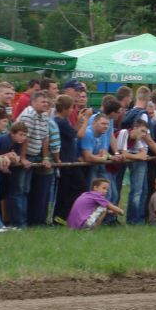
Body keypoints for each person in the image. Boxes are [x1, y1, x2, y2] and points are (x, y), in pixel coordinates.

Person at [15, 91, 53, 226]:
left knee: (34, 187)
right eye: (43, 101)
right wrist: (23, 158)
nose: (46, 103)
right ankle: (20, 222)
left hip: (37, 154)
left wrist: (45, 157)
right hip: (26, 154)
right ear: (33, 102)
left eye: (47, 101)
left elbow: (45, 137)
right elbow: (24, 137)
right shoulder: (28, 115)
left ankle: (36, 220)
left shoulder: (44, 115)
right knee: (21, 189)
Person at [54, 95, 90, 225]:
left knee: (68, 190)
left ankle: (60, 216)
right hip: (67, 162)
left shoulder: (63, 121)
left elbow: (72, 133)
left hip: (70, 160)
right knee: (80, 188)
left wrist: (78, 121)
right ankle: (61, 215)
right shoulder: (60, 121)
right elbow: (79, 135)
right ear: (64, 108)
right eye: (70, 108)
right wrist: (86, 120)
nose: (72, 111)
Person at [118, 116, 150, 225]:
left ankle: (134, 221)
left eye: (145, 132)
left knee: (139, 192)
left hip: (121, 162)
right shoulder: (124, 133)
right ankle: (130, 220)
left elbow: (143, 153)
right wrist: (137, 156)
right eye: (142, 131)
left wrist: (135, 156)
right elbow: (123, 153)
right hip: (114, 164)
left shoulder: (137, 139)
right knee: (115, 191)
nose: (144, 134)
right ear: (134, 128)